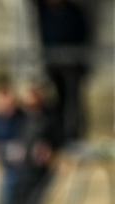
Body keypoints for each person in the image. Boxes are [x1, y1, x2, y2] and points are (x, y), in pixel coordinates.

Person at [34, 0, 90, 141]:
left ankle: (75, 135)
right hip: (53, 65)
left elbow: (82, 35)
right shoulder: (44, 13)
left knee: (74, 101)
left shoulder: (73, 12)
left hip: (73, 64)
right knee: (57, 101)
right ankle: (60, 135)